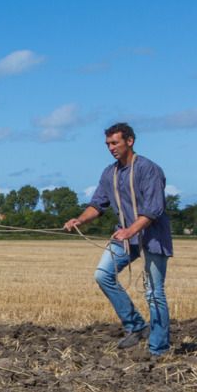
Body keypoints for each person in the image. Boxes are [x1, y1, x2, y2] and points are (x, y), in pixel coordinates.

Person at [62, 122, 174, 357]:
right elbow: (97, 205)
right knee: (103, 274)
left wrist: (129, 231)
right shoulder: (109, 173)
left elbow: (154, 210)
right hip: (125, 237)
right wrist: (79, 220)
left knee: (154, 292)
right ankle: (136, 326)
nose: (111, 148)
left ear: (130, 141)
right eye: (108, 144)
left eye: (115, 143)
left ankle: (159, 348)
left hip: (152, 236)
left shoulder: (149, 169)